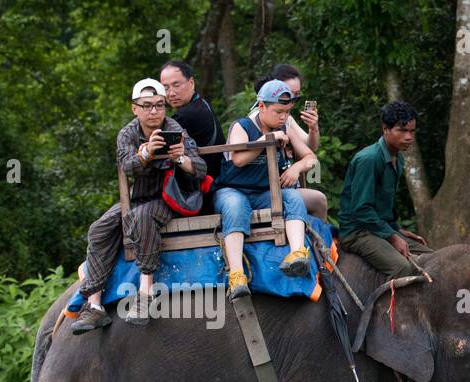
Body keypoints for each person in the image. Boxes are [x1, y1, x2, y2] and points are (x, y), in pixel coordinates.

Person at [71, 78, 207, 333]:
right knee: (99, 228)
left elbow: (200, 168)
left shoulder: (175, 128)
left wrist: (180, 158)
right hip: (137, 196)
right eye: (147, 106)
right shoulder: (128, 133)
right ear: (135, 108)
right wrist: (146, 153)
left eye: (159, 105)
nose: (154, 111)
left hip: (172, 197)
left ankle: (146, 293)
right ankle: (94, 304)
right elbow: (126, 167)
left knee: (142, 216)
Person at [214, 79, 316, 298]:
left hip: (263, 193)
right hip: (233, 190)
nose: (284, 117)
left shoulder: (284, 126)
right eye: (278, 112)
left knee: (292, 197)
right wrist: (266, 140)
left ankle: (297, 253)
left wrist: (296, 168)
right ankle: (237, 275)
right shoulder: (242, 126)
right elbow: (239, 159)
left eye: (287, 112)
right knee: (235, 207)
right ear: (261, 106)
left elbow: (310, 156)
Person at [337, 101, 433, 277]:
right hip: (358, 232)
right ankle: (382, 305)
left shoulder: (398, 159)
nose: (408, 137)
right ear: (385, 128)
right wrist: (392, 236)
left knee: (433, 259)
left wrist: (397, 230)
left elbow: (382, 206)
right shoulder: (369, 159)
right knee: (402, 268)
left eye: (412, 131)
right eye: (402, 130)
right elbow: (362, 209)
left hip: (379, 228)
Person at [249, 64, 327, 220]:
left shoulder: (284, 119)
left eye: (296, 96)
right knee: (318, 200)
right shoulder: (257, 119)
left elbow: (309, 150)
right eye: (288, 94)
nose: (291, 101)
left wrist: (313, 128)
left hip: (286, 184)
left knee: (317, 194)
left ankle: (316, 240)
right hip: (266, 188)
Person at [160, 59, 219, 148]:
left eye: (176, 85)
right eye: (166, 88)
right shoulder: (201, 103)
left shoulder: (187, 114)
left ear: (191, 83)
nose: (171, 93)